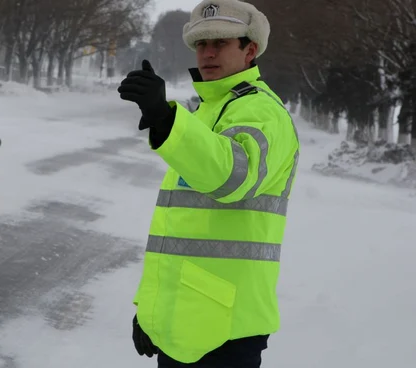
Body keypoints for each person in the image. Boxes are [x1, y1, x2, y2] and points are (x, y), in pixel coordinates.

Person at [117, 0, 300, 367]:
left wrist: (166, 119)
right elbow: (182, 231)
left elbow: (231, 176)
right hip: (187, 324)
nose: (208, 52)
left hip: (227, 334)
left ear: (250, 50)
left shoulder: (263, 111)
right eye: (201, 43)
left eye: (220, 42)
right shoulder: (207, 112)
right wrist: (152, 310)